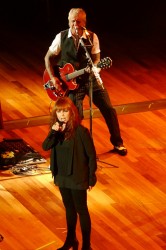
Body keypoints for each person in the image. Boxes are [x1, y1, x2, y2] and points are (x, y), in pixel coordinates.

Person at [44, 7, 127, 156]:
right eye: (72, 21)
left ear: (84, 22)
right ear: (68, 21)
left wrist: (95, 69)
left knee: (109, 109)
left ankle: (118, 143)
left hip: (90, 80)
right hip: (71, 85)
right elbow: (48, 58)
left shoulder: (92, 37)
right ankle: (73, 146)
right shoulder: (61, 37)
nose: (75, 24)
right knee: (76, 116)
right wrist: (53, 77)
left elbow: (96, 59)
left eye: (79, 21)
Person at [42, 97, 97, 250]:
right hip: (62, 175)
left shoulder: (81, 131)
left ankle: (86, 245)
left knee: (81, 210)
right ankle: (71, 240)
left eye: (65, 111)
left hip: (78, 176)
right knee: (69, 208)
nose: (62, 114)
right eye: (59, 111)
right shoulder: (56, 131)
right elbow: (45, 146)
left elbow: (91, 155)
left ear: (71, 112)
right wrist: (53, 132)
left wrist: (91, 177)